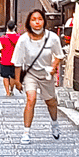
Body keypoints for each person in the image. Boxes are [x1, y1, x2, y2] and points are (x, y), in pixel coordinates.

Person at [13, 9, 65, 143]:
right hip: (31, 74)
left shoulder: (52, 38)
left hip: (46, 74)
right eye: (33, 19)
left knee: (51, 102)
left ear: (44, 21)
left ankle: (54, 124)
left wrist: (54, 67)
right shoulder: (23, 40)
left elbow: (59, 56)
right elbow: (17, 62)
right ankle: (26, 132)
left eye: (40, 19)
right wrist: (17, 81)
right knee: (31, 99)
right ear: (29, 22)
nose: (37, 22)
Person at [0, 20, 20, 96]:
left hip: (5, 59)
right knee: (13, 76)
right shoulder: (18, 37)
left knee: (5, 76)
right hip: (15, 60)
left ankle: (7, 92)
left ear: (7, 27)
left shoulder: (2, 38)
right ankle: (11, 89)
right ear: (15, 27)